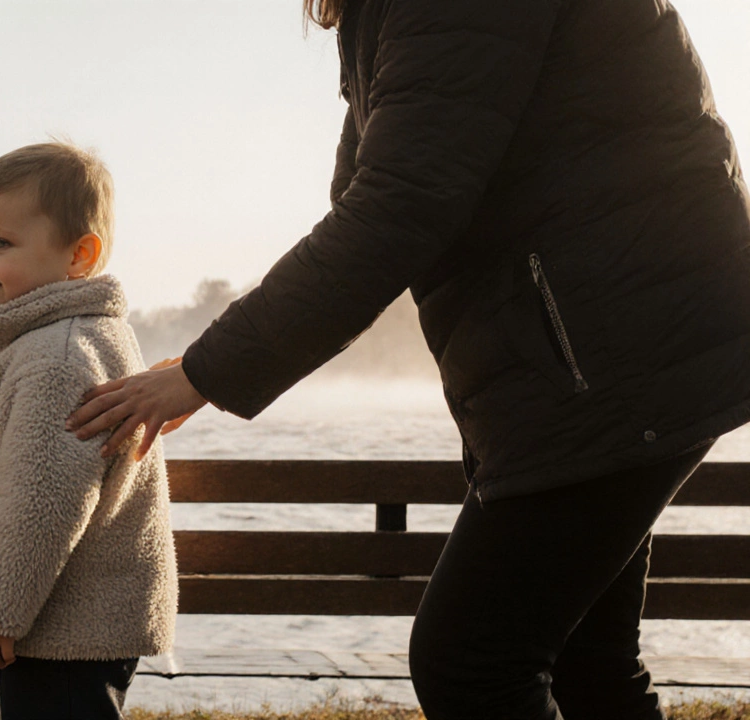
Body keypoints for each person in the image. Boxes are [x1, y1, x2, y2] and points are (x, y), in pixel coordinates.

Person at [66, 0, 750, 718]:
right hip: (602, 349)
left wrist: (206, 372)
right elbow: (370, 198)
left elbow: (399, 211)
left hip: (611, 351)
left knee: (471, 661)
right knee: (587, 660)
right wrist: (210, 357)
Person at [0, 142, 178, 719]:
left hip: (63, 630)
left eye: (0, 243)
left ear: (80, 255)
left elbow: (46, 500)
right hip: (57, 621)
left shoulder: (58, 356)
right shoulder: (40, 340)